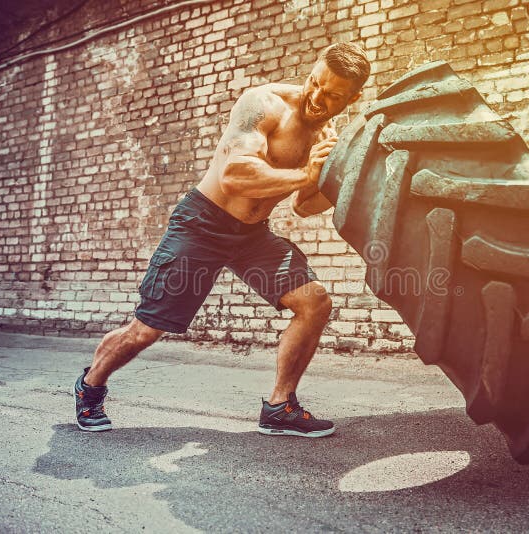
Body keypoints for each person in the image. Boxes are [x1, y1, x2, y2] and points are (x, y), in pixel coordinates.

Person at [73, 42, 371, 438]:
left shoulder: (326, 135)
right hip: (202, 224)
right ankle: (91, 386)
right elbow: (235, 174)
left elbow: (303, 205)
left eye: (332, 95)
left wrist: (338, 176)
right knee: (147, 330)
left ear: (352, 98)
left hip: (251, 236)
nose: (316, 98)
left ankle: (280, 406)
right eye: (314, 83)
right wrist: (307, 174)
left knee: (314, 302)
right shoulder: (264, 103)